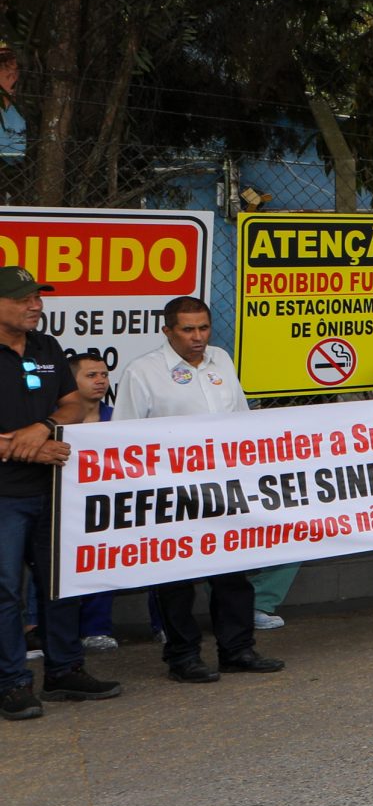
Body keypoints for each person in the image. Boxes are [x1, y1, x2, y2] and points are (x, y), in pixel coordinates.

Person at [118, 295, 291, 627]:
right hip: (172, 490)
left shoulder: (221, 360)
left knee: (231, 575)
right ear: (167, 331)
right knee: (177, 581)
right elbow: (125, 436)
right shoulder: (143, 371)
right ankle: (184, 657)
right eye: (187, 330)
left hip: (224, 486)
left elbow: (240, 417)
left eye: (204, 328)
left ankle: (238, 649)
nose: (197, 337)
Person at [0, 268, 121, 719]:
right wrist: (29, 449)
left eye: (38, 297)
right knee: (7, 590)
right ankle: (12, 683)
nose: (36, 305)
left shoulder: (46, 347)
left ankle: (64, 671)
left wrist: (41, 429)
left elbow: (72, 404)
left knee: (61, 582)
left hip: (54, 487)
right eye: (23, 298)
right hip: (5, 494)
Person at [54, 352, 127, 650]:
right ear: (72, 382)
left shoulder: (118, 417)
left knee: (103, 559)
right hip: (63, 507)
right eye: (91, 375)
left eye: (104, 375)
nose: (100, 381)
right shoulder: (55, 420)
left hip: (105, 506)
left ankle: (97, 628)